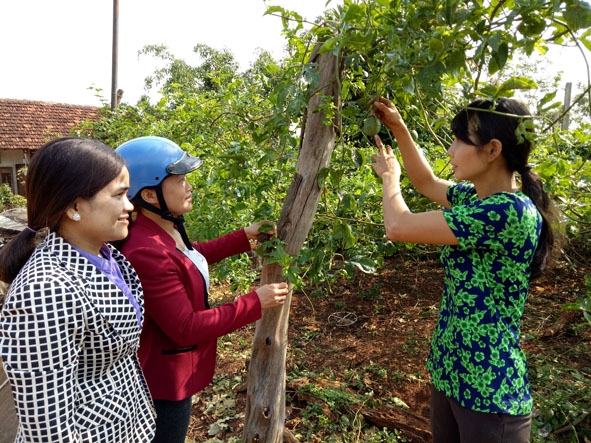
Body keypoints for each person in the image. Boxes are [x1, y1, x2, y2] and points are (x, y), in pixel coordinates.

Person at [370, 97, 555, 443]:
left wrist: (390, 179)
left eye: (460, 140)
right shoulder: (475, 198)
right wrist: (399, 128)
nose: (451, 150)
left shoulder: (508, 213)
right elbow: (426, 182)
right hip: (451, 374)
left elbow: (398, 226)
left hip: (489, 391)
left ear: (493, 149)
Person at [114, 135, 289, 443]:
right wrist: (254, 302)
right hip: (164, 386)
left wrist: (242, 237)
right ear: (150, 195)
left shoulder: (161, 229)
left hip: (172, 376)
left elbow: (189, 257)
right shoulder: (145, 251)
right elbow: (186, 327)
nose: (189, 186)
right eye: (180, 180)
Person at [0, 137, 156, 442]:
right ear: (73, 206)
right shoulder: (45, 291)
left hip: (125, 424)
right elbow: (47, 430)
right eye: (119, 195)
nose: (129, 205)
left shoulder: (104, 254)